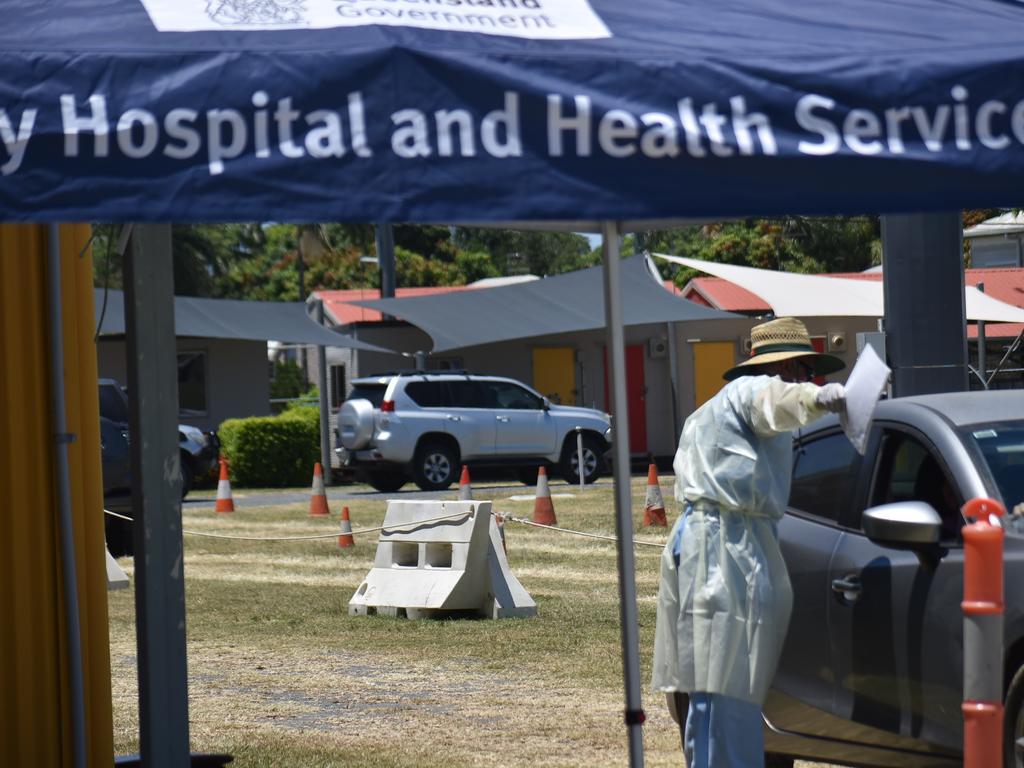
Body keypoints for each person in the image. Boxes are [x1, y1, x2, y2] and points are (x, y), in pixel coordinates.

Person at [652, 317, 847, 768]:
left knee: (713, 689)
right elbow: (773, 400)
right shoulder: (750, 394)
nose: (806, 379)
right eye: (803, 371)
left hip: (713, 544)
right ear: (787, 369)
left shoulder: (722, 412)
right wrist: (819, 398)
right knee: (730, 681)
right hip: (722, 552)